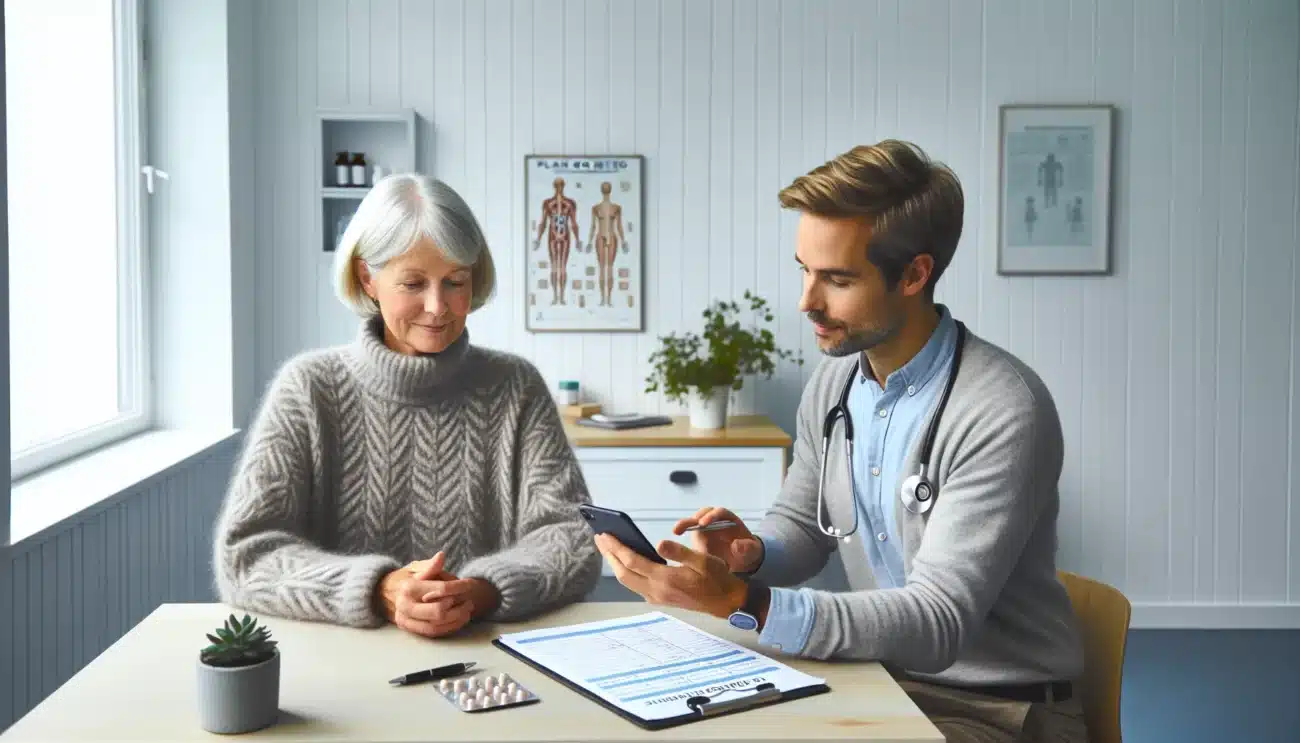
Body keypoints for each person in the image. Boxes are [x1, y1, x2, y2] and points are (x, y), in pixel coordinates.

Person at [594, 140, 1088, 742]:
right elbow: (802, 530)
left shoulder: (1002, 408)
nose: (807, 301)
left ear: (914, 274)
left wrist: (746, 600)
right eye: (803, 270)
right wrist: (751, 553)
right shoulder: (835, 382)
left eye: (837, 279)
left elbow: (937, 621)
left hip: (1001, 710)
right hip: (877, 680)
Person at [215, 173, 601, 639]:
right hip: (337, 666)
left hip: (491, 661)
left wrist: (479, 592)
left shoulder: (516, 386)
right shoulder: (308, 389)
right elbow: (247, 556)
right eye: (414, 283)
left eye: (455, 281)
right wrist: (380, 588)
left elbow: (574, 539)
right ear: (368, 278)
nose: (438, 306)